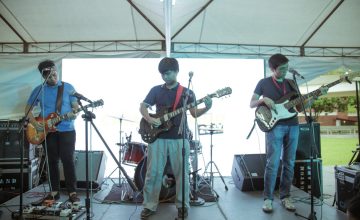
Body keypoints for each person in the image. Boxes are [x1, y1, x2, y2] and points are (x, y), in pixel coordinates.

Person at [250, 53, 327, 213]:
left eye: (286, 68)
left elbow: (300, 107)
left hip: (293, 125)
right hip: (275, 127)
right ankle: (268, 199)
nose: (285, 71)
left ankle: (286, 196)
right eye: (282, 68)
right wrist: (263, 100)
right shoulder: (263, 83)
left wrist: (317, 95)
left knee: (289, 163)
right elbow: (251, 103)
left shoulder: (291, 83)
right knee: (272, 163)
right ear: (272, 68)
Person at [139, 57, 212, 219]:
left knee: (182, 174)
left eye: (168, 73)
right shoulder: (155, 90)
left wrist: (206, 108)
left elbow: (193, 114)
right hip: (157, 138)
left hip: (180, 138)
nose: (165, 77)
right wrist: (151, 120)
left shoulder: (187, 92)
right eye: (163, 74)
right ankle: (149, 205)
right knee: (153, 173)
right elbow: (143, 106)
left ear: (177, 71)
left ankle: (182, 206)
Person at [25, 60, 80, 203]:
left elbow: (75, 106)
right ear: (44, 77)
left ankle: (72, 192)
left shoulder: (68, 87)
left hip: (67, 129)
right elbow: (28, 110)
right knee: (51, 161)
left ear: (57, 71)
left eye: (54, 73)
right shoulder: (39, 90)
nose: (53, 77)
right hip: (47, 131)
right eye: (49, 75)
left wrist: (75, 112)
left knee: (68, 160)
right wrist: (35, 124)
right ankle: (54, 191)